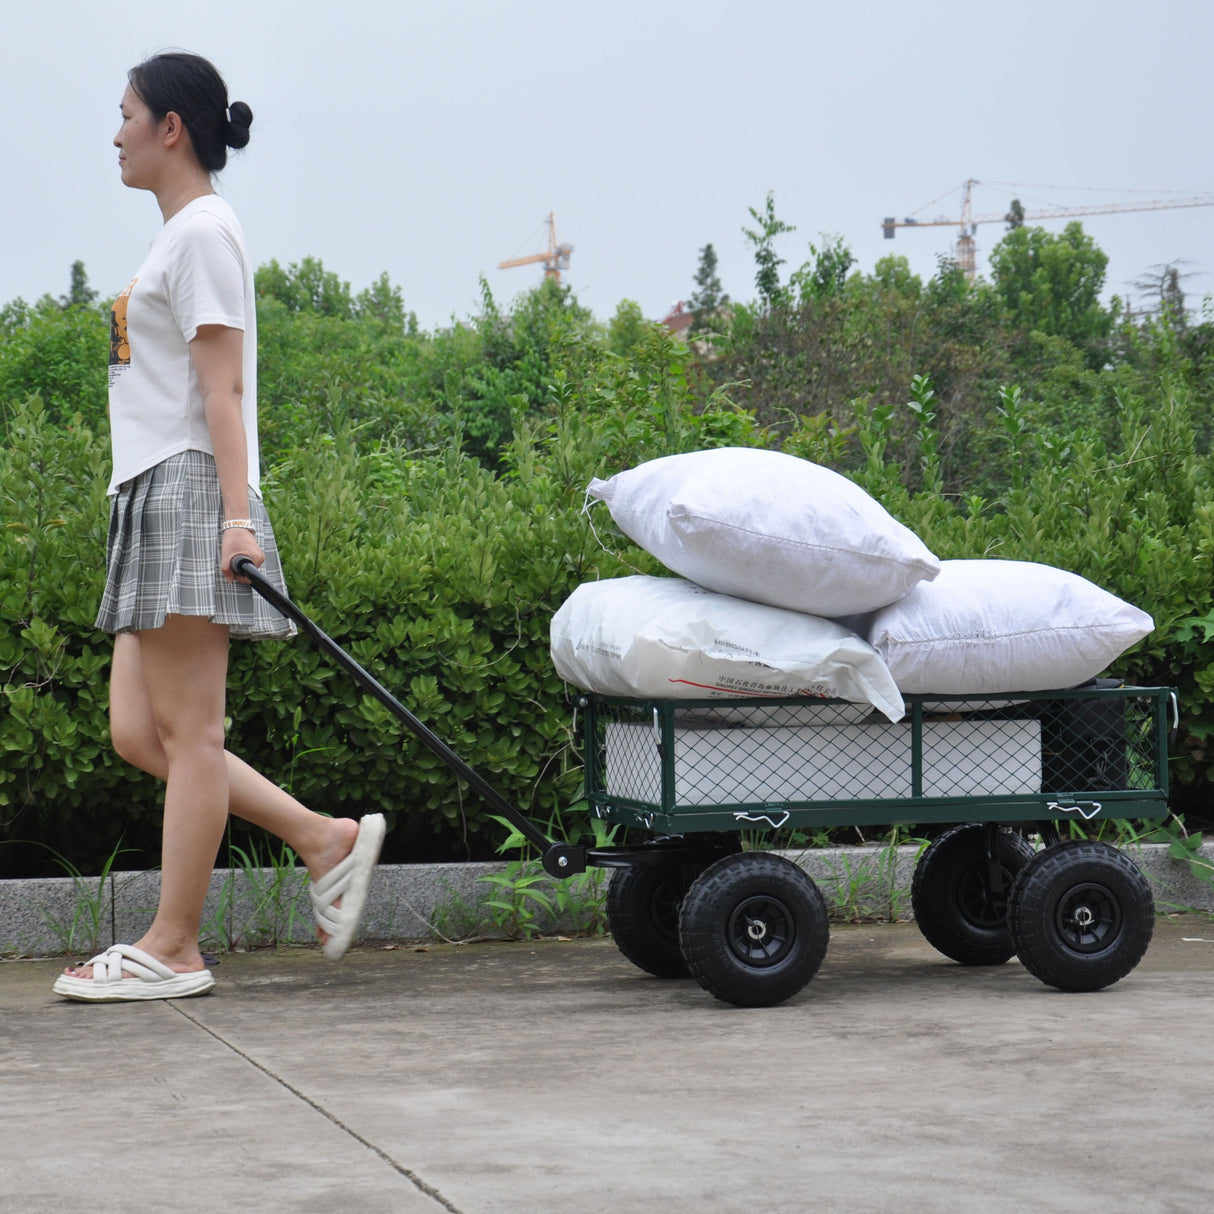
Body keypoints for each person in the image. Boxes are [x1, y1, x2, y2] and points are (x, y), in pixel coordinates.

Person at [54, 52, 385, 1002]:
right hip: (150, 492)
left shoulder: (204, 234)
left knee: (192, 733)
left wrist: (237, 522)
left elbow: (224, 388)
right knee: (137, 731)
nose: (112, 133)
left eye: (124, 115)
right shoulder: (175, 239)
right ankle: (325, 840)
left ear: (171, 128)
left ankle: (175, 944)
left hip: (193, 491)